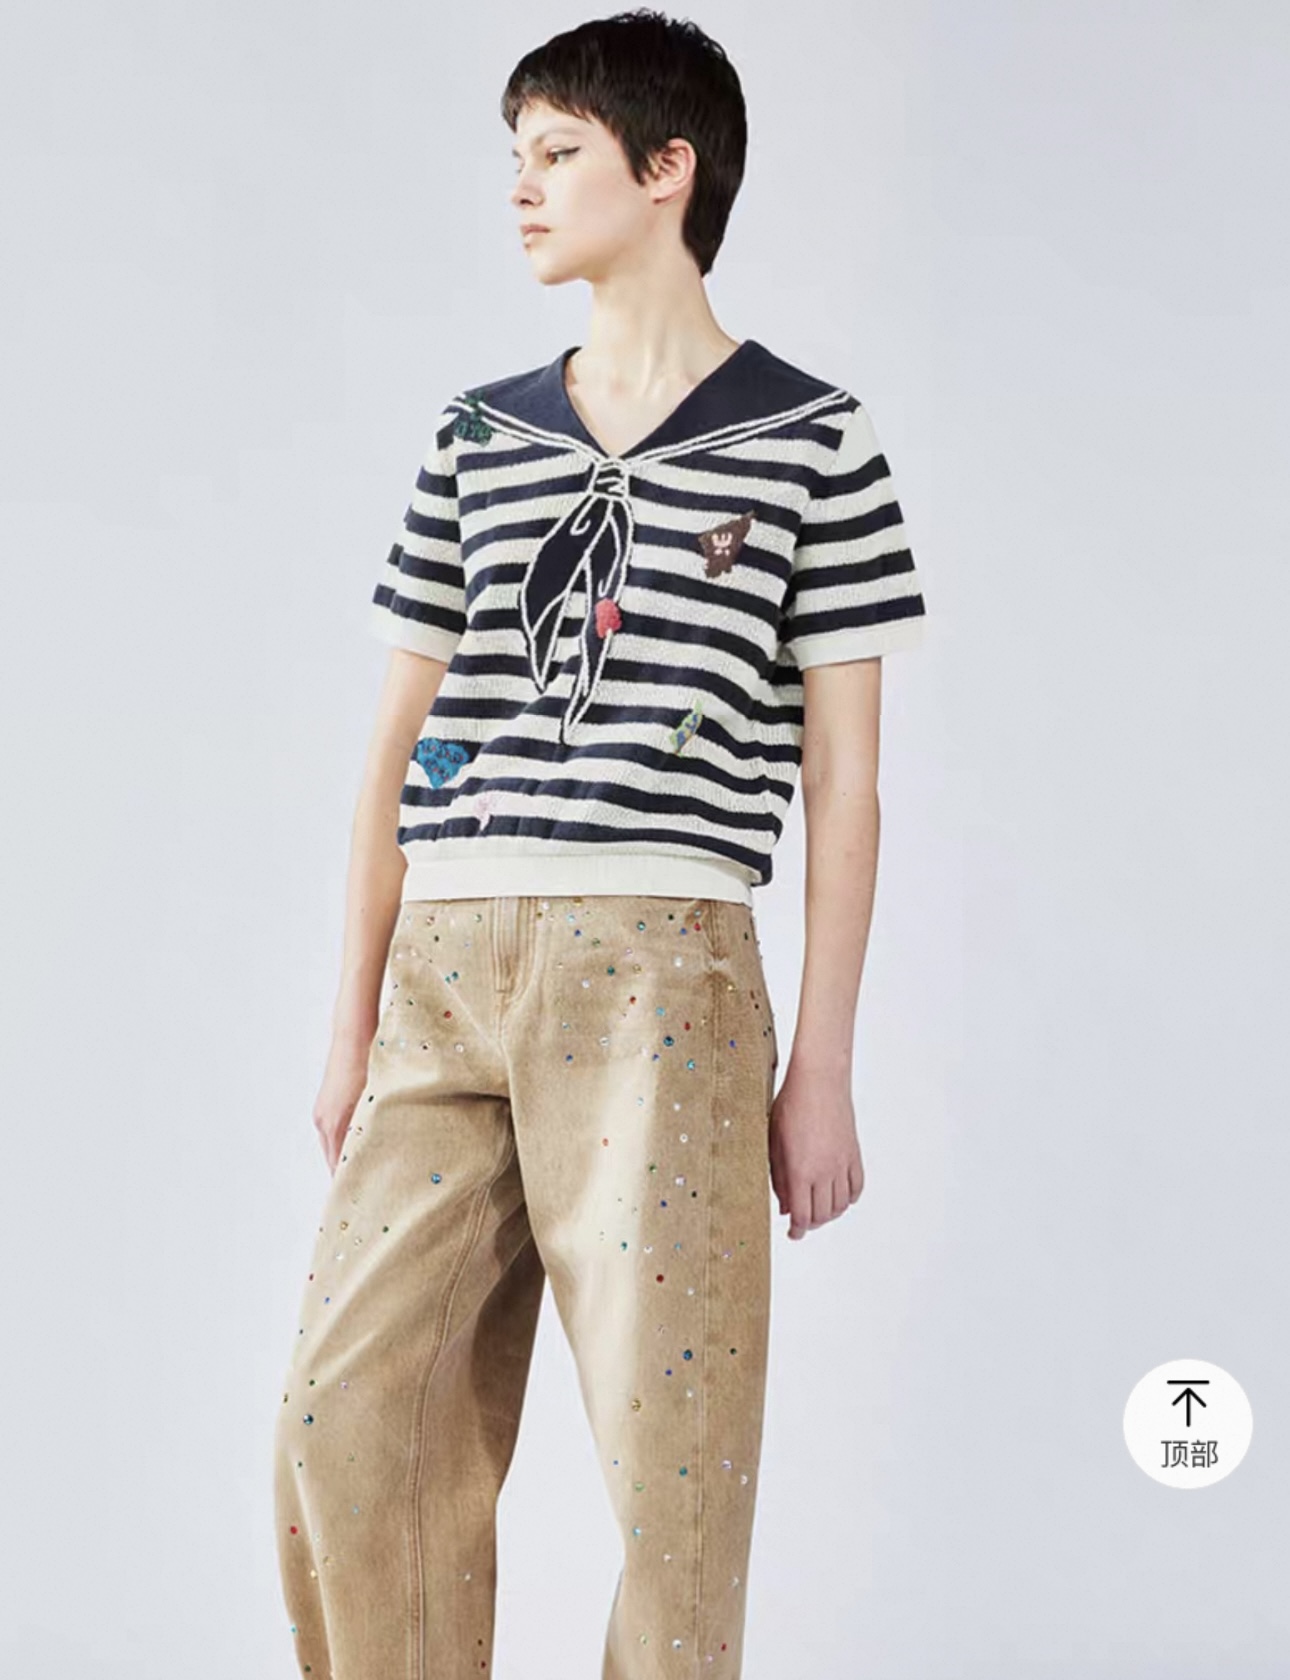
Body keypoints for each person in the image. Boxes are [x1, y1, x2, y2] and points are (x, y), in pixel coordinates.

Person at [272, 9, 928, 1677]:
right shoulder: (476, 435)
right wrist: (350, 1025)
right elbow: (393, 749)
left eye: (556, 151)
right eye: (517, 155)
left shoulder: (813, 439)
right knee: (346, 1422)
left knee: (673, 1466)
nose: (521, 187)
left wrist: (822, 1066)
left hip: (663, 972)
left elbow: (845, 784)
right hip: (445, 970)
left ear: (665, 170)